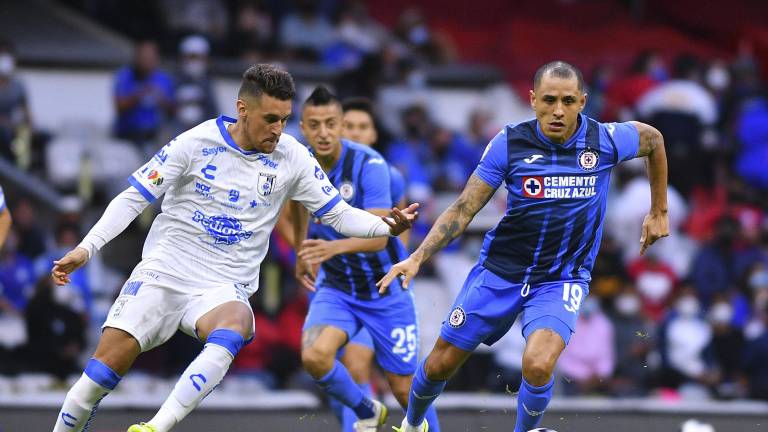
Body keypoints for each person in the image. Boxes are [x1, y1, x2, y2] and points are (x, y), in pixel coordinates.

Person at [49, 64, 418, 432]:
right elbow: (134, 198)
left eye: (284, 120)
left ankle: (155, 427)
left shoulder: (292, 156)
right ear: (243, 109)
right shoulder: (195, 143)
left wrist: (385, 225)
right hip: (164, 271)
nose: (278, 129)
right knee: (98, 378)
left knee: (236, 324)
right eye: (270, 119)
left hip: (223, 285)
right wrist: (87, 248)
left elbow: (339, 214)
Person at [378, 61, 669, 432]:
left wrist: (659, 211)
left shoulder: (606, 139)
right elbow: (464, 208)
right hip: (502, 272)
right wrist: (418, 257)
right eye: (549, 100)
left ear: (582, 102)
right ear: (533, 100)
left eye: (568, 101)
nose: (558, 110)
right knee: (439, 364)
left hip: (561, 278)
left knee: (538, 363)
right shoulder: (509, 143)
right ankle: (412, 424)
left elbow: (653, 140)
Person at [293, 86, 438, 432]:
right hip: (338, 288)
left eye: (332, 124)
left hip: (383, 289)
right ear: (303, 127)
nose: (324, 132)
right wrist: (302, 249)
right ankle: (366, 411)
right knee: (318, 357)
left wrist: (333, 248)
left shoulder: (375, 167)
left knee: (404, 388)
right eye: (315, 125)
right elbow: (296, 205)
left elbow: (381, 236)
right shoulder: (299, 162)